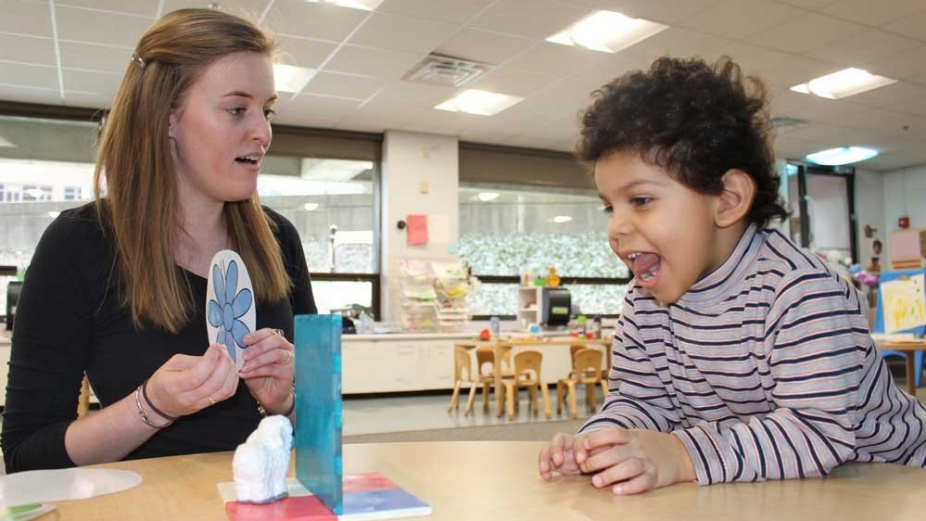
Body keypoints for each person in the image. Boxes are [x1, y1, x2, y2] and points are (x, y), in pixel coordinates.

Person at [538, 56, 926, 495]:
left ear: (727, 200)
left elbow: (817, 433)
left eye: (641, 200)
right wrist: (601, 442)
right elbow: (639, 401)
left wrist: (682, 454)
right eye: (611, 207)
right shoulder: (643, 301)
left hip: (889, 483)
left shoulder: (800, 292)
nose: (616, 228)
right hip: (770, 483)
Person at [1, 8, 317, 473]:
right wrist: (150, 407)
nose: (263, 132)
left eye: (266, 111)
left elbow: (321, 432)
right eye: (237, 109)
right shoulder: (80, 244)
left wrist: (285, 403)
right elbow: (27, 456)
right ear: (167, 117)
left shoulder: (279, 240)